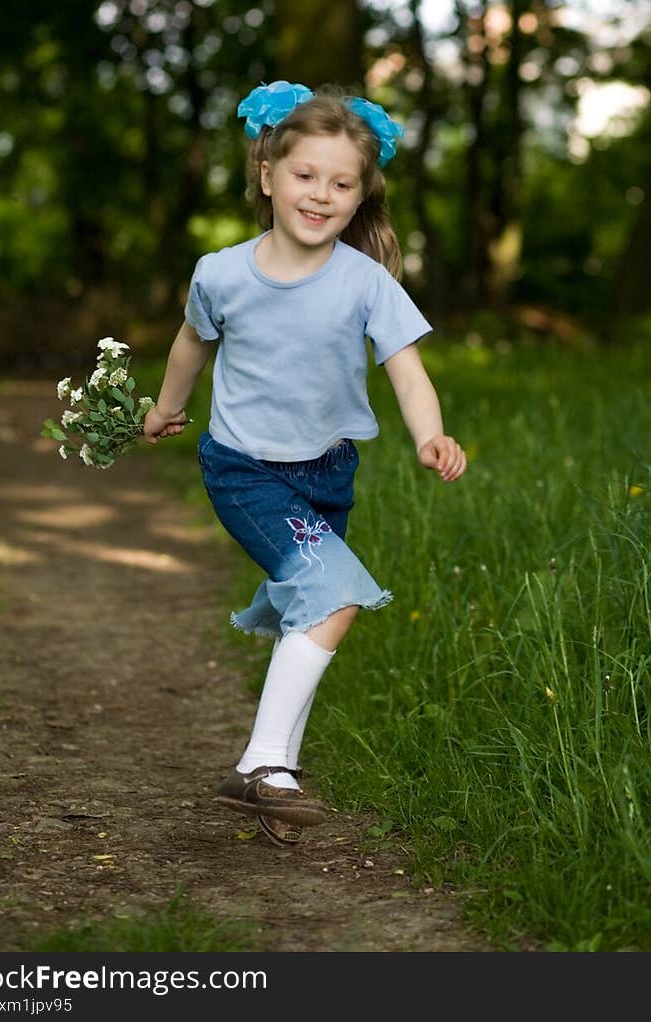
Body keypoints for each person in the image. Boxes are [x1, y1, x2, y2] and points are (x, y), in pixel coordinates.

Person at [142, 80, 467, 847]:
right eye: (305, 175)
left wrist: (431, 435)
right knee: (332, 597)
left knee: (312, 615)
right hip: (243, 470)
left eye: (341, 183)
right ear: (267, 175)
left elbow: (408, 370)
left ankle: (276, 774)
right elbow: (191, 343)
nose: (321, 195)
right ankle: (261, 767)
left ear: (359, 197)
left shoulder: (366, 283)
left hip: (328, 473)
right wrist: (163, 407)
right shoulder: (222, 272)